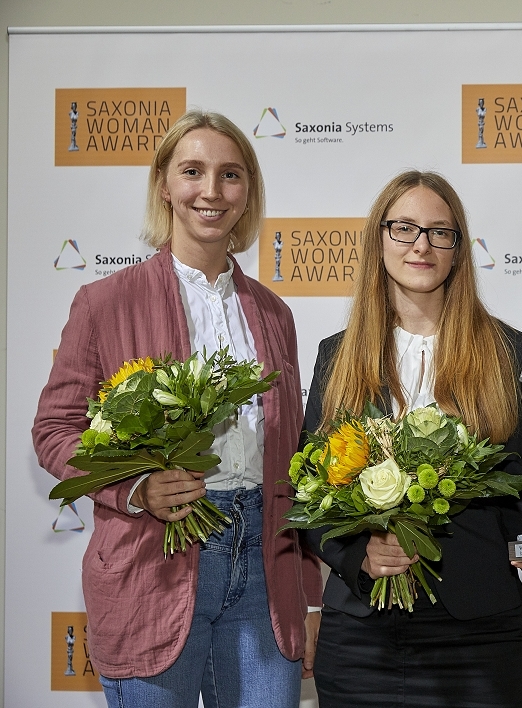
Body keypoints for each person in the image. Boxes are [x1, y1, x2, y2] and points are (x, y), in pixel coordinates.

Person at [33, 110, 322, 708]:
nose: (211, 191)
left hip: (266, 576)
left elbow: (296, 468)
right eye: (193, 171)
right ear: (164, 185)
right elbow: (55, 430)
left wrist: (310, 595)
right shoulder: (104, 303)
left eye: (230, 174)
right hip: (151, 565)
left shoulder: (275, 314)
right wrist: (135, 488)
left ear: (248, 192)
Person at [302, 170, 522, 708]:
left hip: (477, 634)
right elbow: (309, 496)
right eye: (404, 228)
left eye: (439, 232)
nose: (421, 245)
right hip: (361, 638)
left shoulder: (510, 353)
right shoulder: (338, 355)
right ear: (379, 239)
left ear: (458, 249)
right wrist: (360, 555)